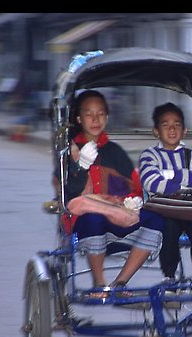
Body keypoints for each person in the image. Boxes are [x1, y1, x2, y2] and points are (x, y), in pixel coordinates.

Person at [57, 90, 164, 297]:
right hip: (87, 221)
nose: (95, 119)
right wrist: (81, 167)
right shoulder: (69, 152)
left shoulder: (115, 152)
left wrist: (133, 200)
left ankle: (120, 282)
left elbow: (132, 187)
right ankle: (99, 284)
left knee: (157, 220)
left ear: (106, 116)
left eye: (100, 113)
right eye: (89, 114)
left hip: (118, 215)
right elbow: (68, 195)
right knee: (93, 218)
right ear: (79, 118)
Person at [139, 102, 192, 281]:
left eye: (176, 125)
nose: (172, 129)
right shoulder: (149, 155)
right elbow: (151, 182)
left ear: (184, 130)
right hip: (164, 210)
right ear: (156, 131)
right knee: (168, 231)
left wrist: (170, 176)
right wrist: (183, 179)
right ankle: (170, 275)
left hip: (190, 209)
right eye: (165, 125)